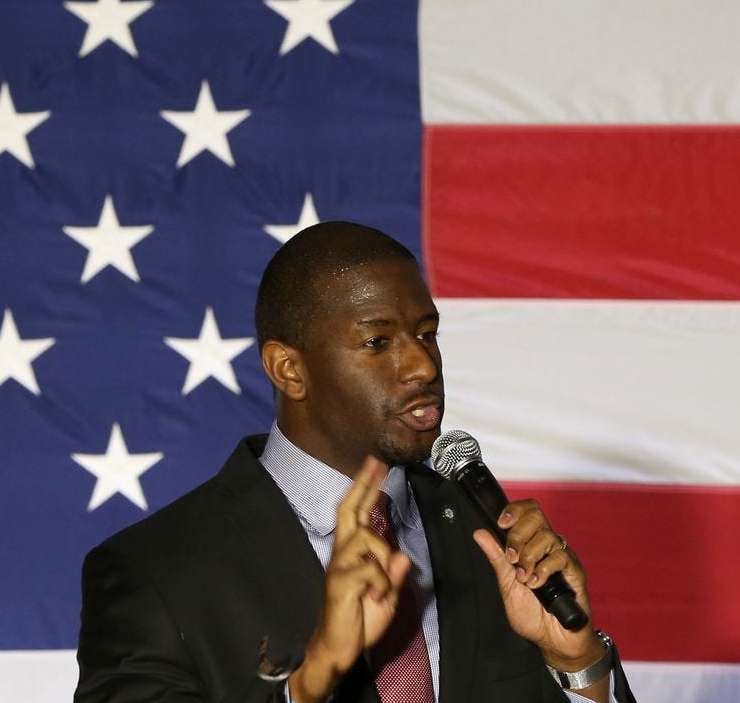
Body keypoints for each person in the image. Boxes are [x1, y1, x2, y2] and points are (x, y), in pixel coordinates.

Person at [75, 221, 636, 703]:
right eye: (377, 342)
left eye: (426, 333)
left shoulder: (490, 539)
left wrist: (576, 665)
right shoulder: (154, 572)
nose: (422, 366)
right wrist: (310, 680)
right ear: (289, 370)